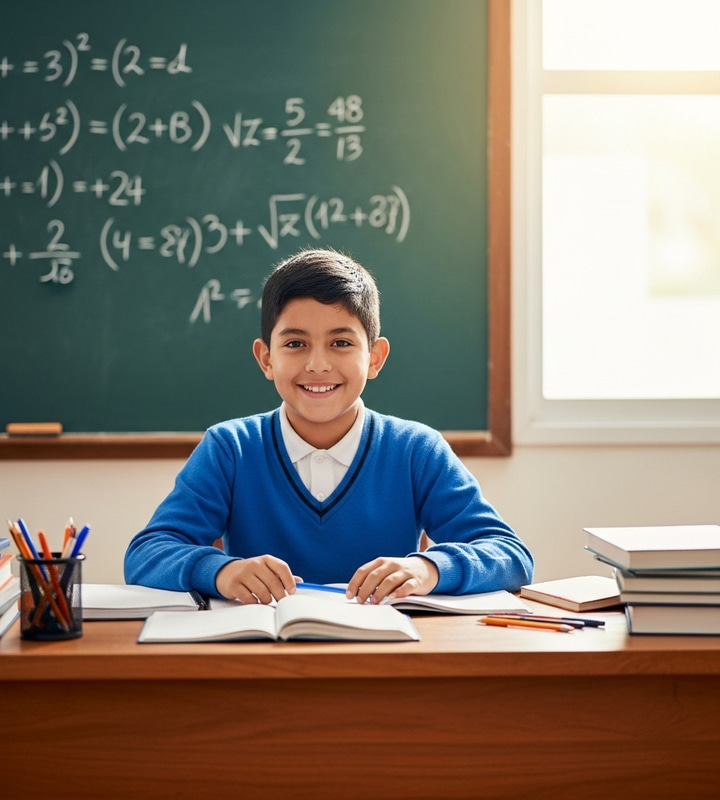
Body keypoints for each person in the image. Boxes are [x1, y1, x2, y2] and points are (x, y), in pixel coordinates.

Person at [124, 248, 533, 605]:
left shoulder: (416, 450)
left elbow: (511, 555)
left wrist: (430, 569)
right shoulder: (231, 448)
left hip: (381, 660)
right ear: (265, 358)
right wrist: (218, 571)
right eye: (295, 343)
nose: (317, 364)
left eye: (341, 343)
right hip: (261, 661)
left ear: (374, 357)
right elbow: (146, 554)